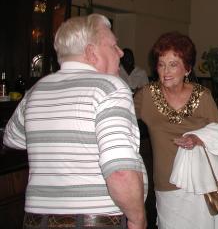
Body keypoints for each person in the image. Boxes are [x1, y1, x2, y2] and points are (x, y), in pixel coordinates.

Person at [3, 14, 148, 229]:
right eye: (114, 46)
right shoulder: (110, 87)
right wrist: (138, 218)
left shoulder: (36, 90)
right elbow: (119, 170)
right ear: (91, 52)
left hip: (35, 221)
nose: (120, 53)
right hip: (94, 221)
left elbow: (12, 138)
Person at [134, 31, 218, 229]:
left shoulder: (202, 96)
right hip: (167, 183)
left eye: (173, 64)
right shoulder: (147, 95)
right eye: (161, 64)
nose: (165, 71)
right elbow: (121, 119)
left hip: (201, 182)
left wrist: (199, 138)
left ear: (187, 69)